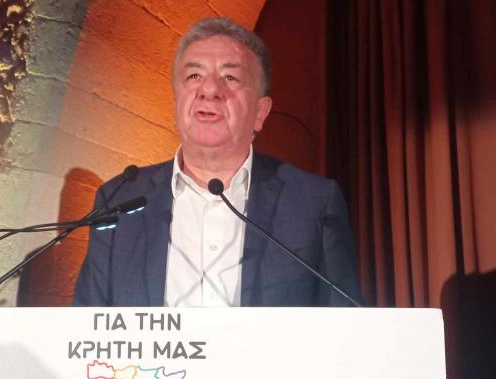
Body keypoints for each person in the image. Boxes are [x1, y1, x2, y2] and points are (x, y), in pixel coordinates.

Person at [73, 17, 361, 307]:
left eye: (230, 77)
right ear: (176, 102)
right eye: (193, 76)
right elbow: (87, 324)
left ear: (260, 113)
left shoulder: (313, 203)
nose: (209, 89)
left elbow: (346, 324)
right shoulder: (119, 200)